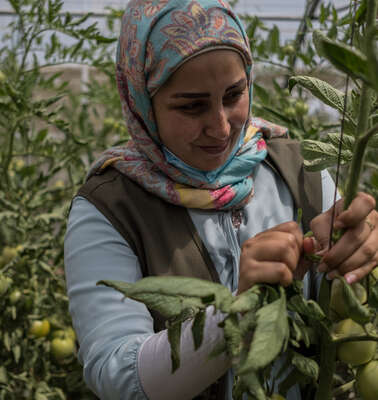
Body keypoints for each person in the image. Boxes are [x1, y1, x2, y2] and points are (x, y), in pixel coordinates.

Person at [64, 1, 378, 399]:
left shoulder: (302, 166)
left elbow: (345, 311)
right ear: (143, 101)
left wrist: (361, 253)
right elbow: (119, 377)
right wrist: (237, 312)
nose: (221, 125)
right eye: (191, 105)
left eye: (234, 94)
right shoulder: (110, 207)